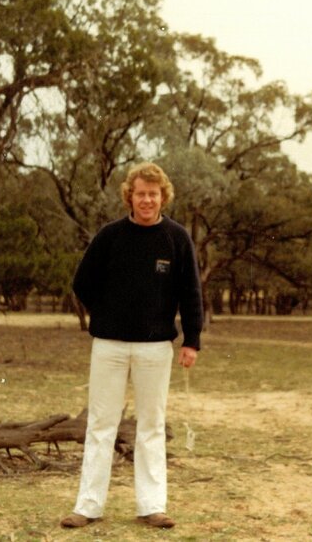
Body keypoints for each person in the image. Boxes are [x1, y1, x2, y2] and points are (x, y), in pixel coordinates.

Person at [60, 161, 203, 530]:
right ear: (130, 195)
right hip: (109, 345)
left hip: (155, 348)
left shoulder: (176, 238)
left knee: (151, 426)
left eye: (153, 194)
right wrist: (106, 314)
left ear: (163, 197)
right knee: (101, 425)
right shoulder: (110, 236)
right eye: (141, 193)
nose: (147, 200)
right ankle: (88, 506)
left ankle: (152, 506)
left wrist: (192, 340)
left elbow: (191, 293)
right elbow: (82, 282)